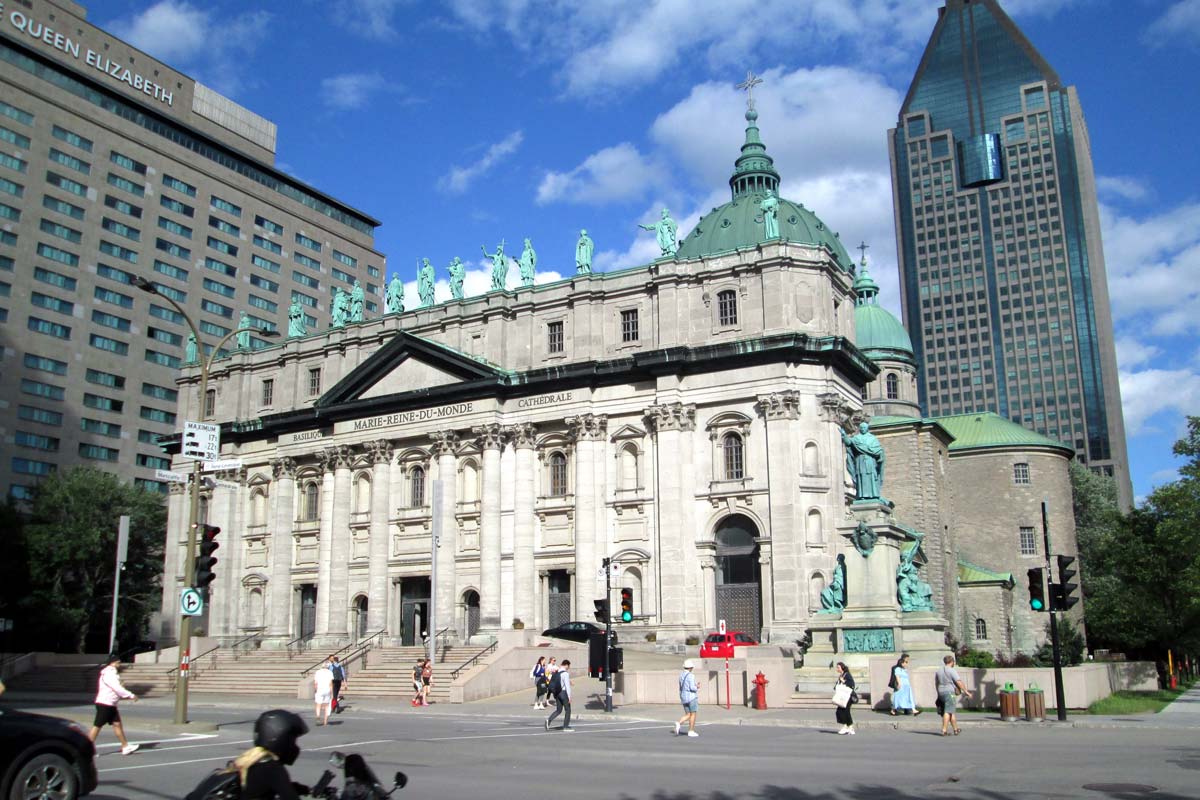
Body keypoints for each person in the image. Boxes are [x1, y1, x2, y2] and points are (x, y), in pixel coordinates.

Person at [188, 709, 310, 800]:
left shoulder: (250, 761)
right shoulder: (273, 769)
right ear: (281, 739)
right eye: (292, 740)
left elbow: (262, 786)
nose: (295, 746)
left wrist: (301, 788)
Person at [88, 654, 139, 754]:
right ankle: (86, 749)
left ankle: (125, 747)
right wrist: (130, 695)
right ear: (113, 663)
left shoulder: (111, 673)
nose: (119, 664)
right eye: (118, 662)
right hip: (105, 703)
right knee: (97, 726)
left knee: (117, 724)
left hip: (110, 704)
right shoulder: (109, 673)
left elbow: (116, 687)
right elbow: (116, 687)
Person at [841, 421, 885, 501]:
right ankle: (862, 495)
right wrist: (844, 435)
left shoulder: (873, 438)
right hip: (860, 460)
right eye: (861, 428)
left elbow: (878, 450)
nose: (863, 429)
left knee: (871, 476)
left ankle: (873, 495)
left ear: (867, 429)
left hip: (870, 460)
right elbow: (849, 443)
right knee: (861, 476)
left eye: (864, 427)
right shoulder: (856, 438)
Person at [936, 653, 972, 736]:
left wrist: (938, 692)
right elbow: (958, 682)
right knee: (948, 711)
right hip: (949, 692)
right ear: (952, 662)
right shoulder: (951, 670)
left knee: (951, 711)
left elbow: (936, 683)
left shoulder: (938, 671)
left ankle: (956, 729)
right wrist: (966, 692)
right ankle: (944, 730)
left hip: (941, 692)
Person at [544, 659, 573, 731]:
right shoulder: (565, 673)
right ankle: (565, 726)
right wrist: (569, 696)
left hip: (557, 693)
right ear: (566, 665)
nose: (568, 667)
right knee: (568, 710)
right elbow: (567, 686)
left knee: (558, 710)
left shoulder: (557, 672)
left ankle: (548, 720)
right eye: (568, 666)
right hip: (563, 693)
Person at [674, 659, 699, 737]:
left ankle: (679, 723)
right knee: (693, 714)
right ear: (690, 668)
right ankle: (691, 731)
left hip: (683, 697)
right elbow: (692, 688)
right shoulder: (691, 675)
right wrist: (697, 687)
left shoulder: (681, 675)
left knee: (688, 714)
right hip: (691, 697)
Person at [833, 661, 856, 735]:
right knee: (845, 711)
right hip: (843, 696)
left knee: (843, 711)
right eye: (837, 667)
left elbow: (852, 684)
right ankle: (850, 727)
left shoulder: (847, 674)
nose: (837, 669)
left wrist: (844, 681)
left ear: (842, 667)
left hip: (848, 696)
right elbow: (837, 685)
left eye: (838, 667)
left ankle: (846, 726)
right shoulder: (841, 675)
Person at [312, 659, 334, 726]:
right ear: (328, 666)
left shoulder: (318, 672)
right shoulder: (330, 672)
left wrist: (315, 690)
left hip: (319, 689)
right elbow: (330, 683)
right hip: (327, 690)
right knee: (326, 706)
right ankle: (325, 722)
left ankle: (318, 716)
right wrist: (332, 693)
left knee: (318, 704)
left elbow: (315, 683)